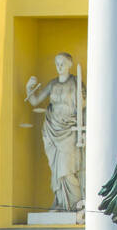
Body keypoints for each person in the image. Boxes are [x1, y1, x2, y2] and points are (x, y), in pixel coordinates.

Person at [25, 53, 84, 212]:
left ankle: (75, 205)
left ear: (69, 64)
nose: (59, 67)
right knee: (56, 169)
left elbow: (84, 104)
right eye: (57, 63)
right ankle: (59, 203)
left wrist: (80, 99)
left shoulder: (76, 83)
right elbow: (35, 101)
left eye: (62, 63)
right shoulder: (52, 84)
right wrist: (29, 88)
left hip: (69, 129)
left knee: (67, 168)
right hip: (51, 129)